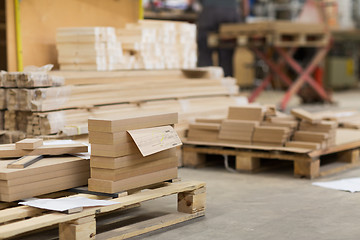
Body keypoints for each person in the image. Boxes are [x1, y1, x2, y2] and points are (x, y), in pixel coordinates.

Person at [195, 0, 243, 77]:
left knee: (205, 53)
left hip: (209, 13)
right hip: (230, 12)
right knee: (226, 56)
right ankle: (226, 85)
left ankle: (205, 84)